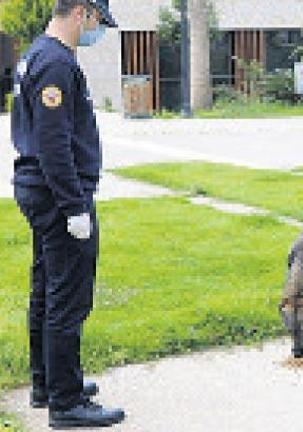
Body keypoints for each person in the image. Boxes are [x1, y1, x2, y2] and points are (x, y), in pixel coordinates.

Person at [11, 0, 125, 428]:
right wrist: (75, 207)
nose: (97, 30)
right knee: (68, 297)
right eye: (98, 20)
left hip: (42, 192)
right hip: (59, 196)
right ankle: (66, 402)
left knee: (46, 289)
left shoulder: (37, 54)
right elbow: (54, 143)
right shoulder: (55, 62)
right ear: (82, 12)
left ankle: (48, 382)